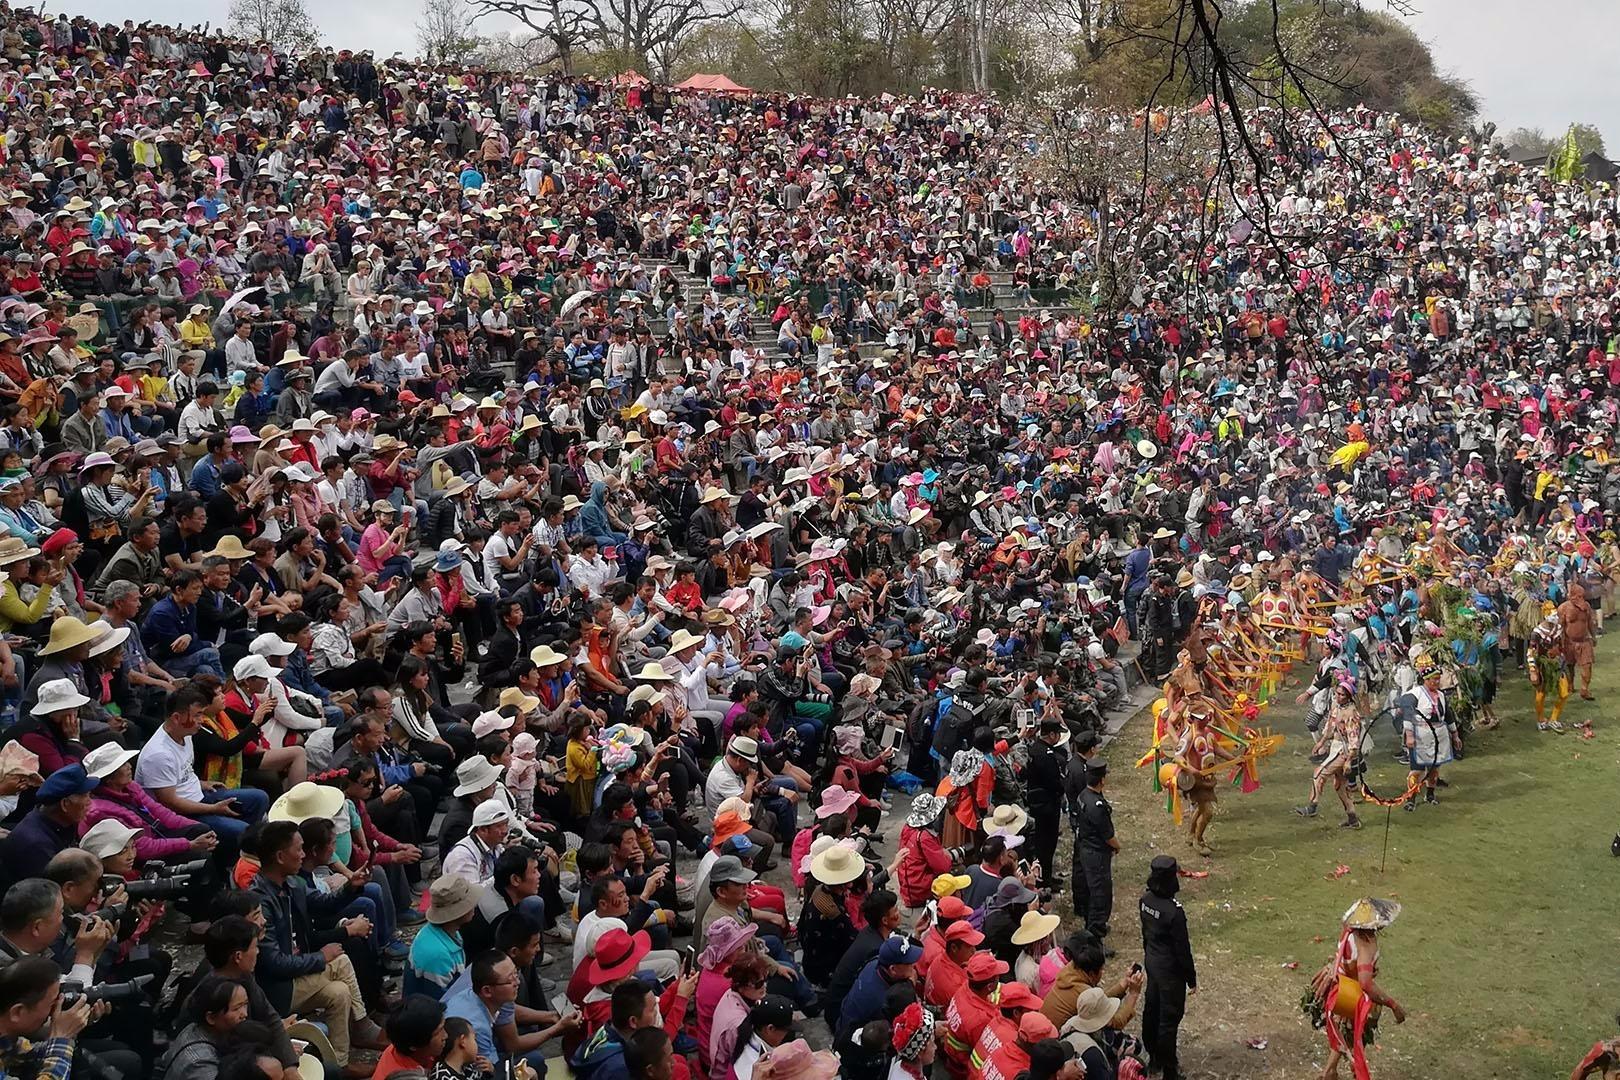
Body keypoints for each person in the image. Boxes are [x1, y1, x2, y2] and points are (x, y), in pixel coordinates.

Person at [1307, 898, 1405, 1080]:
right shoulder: (1366, 944)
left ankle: (1333, 1070)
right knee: (1352, 1031)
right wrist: (1394, 1005)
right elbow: (1366, 984)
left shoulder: (1348, 931)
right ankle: (1332, 1071)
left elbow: (1347, 960)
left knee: (1345, 1032)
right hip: (1350, 994)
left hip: (1337, 986)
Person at [1139, 855, 1196, 1080]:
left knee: (1152, 1009)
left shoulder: (1145, 900)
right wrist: (1191, 978)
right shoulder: (1174, 912)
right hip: (1170, 972)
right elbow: (1182, 950)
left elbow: (1146, 935)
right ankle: (1169, 1069)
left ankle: (1154, 1057)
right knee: (1168, 1020)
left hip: (1152, 962)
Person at [1296, 682, 1364, 828]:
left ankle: (1312, 806)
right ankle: (1353, 819)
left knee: (1318, 774)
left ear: (1348, 697)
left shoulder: (1350, 713)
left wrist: (1348, 760)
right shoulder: (1336, 706)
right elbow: (1330, 727)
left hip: (1343, 751)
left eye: (1342, 695)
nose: (1338, 696)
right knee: (1339, 786)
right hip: (1335, 747)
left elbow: (1354, 738)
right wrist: (1321, 742)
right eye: (1337, 693)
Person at [1397, 664, 1460, 812]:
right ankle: (1411, 798)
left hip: (1439, 735)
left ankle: (1430, 794)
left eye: (1438, 679)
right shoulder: (1415, 694)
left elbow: (1448, 715)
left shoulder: (1441, 695)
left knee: (1434, 768)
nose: (1437, 682)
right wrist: (1410, 735)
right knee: (1417, 770)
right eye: (1434, 679)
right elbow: (1408, 713)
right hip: (1420, 735)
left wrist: (1455, 735)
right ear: (1425, 680)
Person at [1072, 757, 1118, 946]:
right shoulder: (1097, 806)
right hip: (1097, 853)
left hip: (1085, 848)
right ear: (1101, 780)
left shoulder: (1083, 795)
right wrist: (1117, 846)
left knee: (1090, 890)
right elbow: (1108, 835)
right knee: (1101, 896)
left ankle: (1091, 924)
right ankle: (1095, 937)